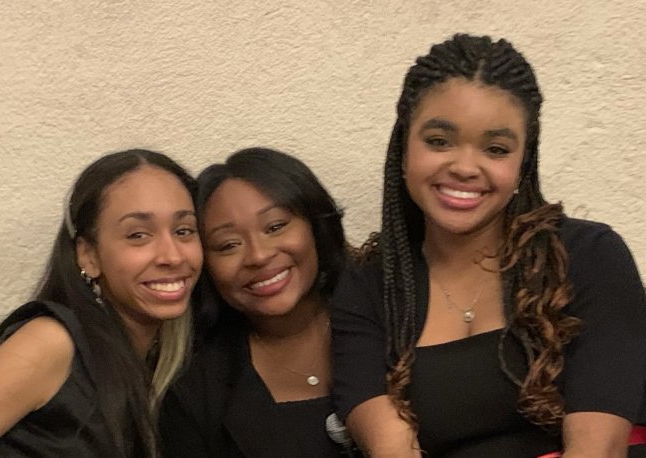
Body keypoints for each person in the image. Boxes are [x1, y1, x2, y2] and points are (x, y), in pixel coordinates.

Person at [331, 34, 646, 458]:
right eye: (439, 141)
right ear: (404, 148)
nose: (464, 167)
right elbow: (389, 447)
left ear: (522, 164)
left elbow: (599, 449)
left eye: (495, 149)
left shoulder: (589, 256)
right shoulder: (369, 288)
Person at [0, 149, 203, 458]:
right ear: (88, 255)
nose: (172, 256)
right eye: (137, 235)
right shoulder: (49, 343)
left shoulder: (162, 358)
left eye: (184, 230)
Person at [159, 147, 357, 457]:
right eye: (228, 245)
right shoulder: (194, 390)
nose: (258, 255)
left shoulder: (387, 317)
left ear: (316, 226)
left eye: (275, 227)